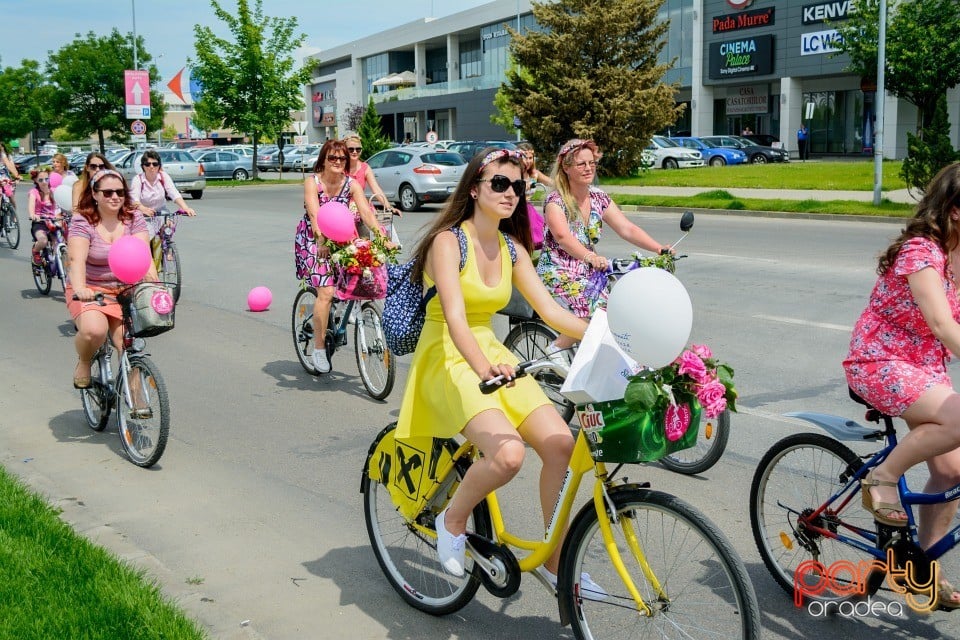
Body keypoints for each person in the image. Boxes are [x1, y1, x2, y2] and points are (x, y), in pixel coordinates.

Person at [394, 148, 593, 591]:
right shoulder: (449, 241)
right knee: (508, 456)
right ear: (474, 189)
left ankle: (554, 560)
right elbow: (456, 319)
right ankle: (453, 519)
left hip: (490, 353)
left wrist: (609, 335)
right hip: (446, 352)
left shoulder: (511, 247)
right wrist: (484, 368)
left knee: (561, 444)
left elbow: (551, 312)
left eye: (518, 187)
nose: (511, 193)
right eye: (499, 184)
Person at [843, 162, 960, 609]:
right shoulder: (920, 252)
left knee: (951, 471)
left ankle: (923, 570)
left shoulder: (956, 253)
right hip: (880, 361)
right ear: (954, 210)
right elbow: (942, 324)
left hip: (924, 367)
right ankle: (883, 476)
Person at [536, 139, 671, 360]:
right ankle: (556, 348)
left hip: (589, 270)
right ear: (566, 168)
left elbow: (626, 228)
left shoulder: (598, 197)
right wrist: (589, 255)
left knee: (621, 305)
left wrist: (658, 249)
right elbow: (563, 237)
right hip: (558, 271)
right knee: (600, 305)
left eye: (591, 163)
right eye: (581, 164)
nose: (588, 168)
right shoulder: (555, 201)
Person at [294, 139, 396, 374]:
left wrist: (382, 238)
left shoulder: (351, 185)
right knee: (326, 292)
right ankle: (319, 349)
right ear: (324, 160)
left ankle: (339, 314)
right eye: (333, 158)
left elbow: (366, 214)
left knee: (360, 269)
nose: (338, 162)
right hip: (313, 239)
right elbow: (314, 213)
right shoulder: (313, 182)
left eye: (342, 158)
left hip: (341, 236)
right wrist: (321, 240)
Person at [67, 169, 157, 393]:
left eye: (120, 192)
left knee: (130, 344)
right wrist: (80, 288)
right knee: (94, 332)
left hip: (126, 288)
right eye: (107, 193)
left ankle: (137, 402)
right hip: (92, 288)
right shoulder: (83, 220)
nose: (115, 197)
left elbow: (143, 254)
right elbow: (75, 260)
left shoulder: (133, 217)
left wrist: (153, 283)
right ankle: (85, 361)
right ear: (95, 195)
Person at [129, 149, 197, 244]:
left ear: (159, 166)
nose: (151, 167)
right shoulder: (138, 179)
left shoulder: (163, 176)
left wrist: (185, 208)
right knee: (145, 239)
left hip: (161, 211)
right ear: (143, 166)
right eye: (147, 164)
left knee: (168, 228)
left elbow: (173, 192)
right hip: (144, 215)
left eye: (155, 164)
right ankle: (147, 256)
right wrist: (143, 209)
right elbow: (134, 199)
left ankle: (167, 250)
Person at [516, 142, 553, 260]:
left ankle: (526, 263)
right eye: (524, 157)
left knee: (539, 236)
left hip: (528, 209)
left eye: (530, 158)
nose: (528, 161)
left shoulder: (534, 174)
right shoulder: (514, 172)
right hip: (516, 210)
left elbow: (552, 183)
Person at [342, 133, 395, 214]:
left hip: (362, 207)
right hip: (342, 208)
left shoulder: (365, 168)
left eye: (358, 149)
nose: (355, 152)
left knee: (379, 226)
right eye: (351, 149)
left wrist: (388, 207)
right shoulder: (339, 167)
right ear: (344, 150)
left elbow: (376, 189)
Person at [27, 167, 61, 265]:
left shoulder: (54, 191)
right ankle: (35, 251)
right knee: (43, 240)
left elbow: (62, 204)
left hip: (54, 221)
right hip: (40, 222)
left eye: (47, 179)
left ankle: (58, 263)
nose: (44, 182)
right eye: (41, 180)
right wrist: (32, 215)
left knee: (59, 242)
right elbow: (31, 205)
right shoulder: (34, 192)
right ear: (35, 181)